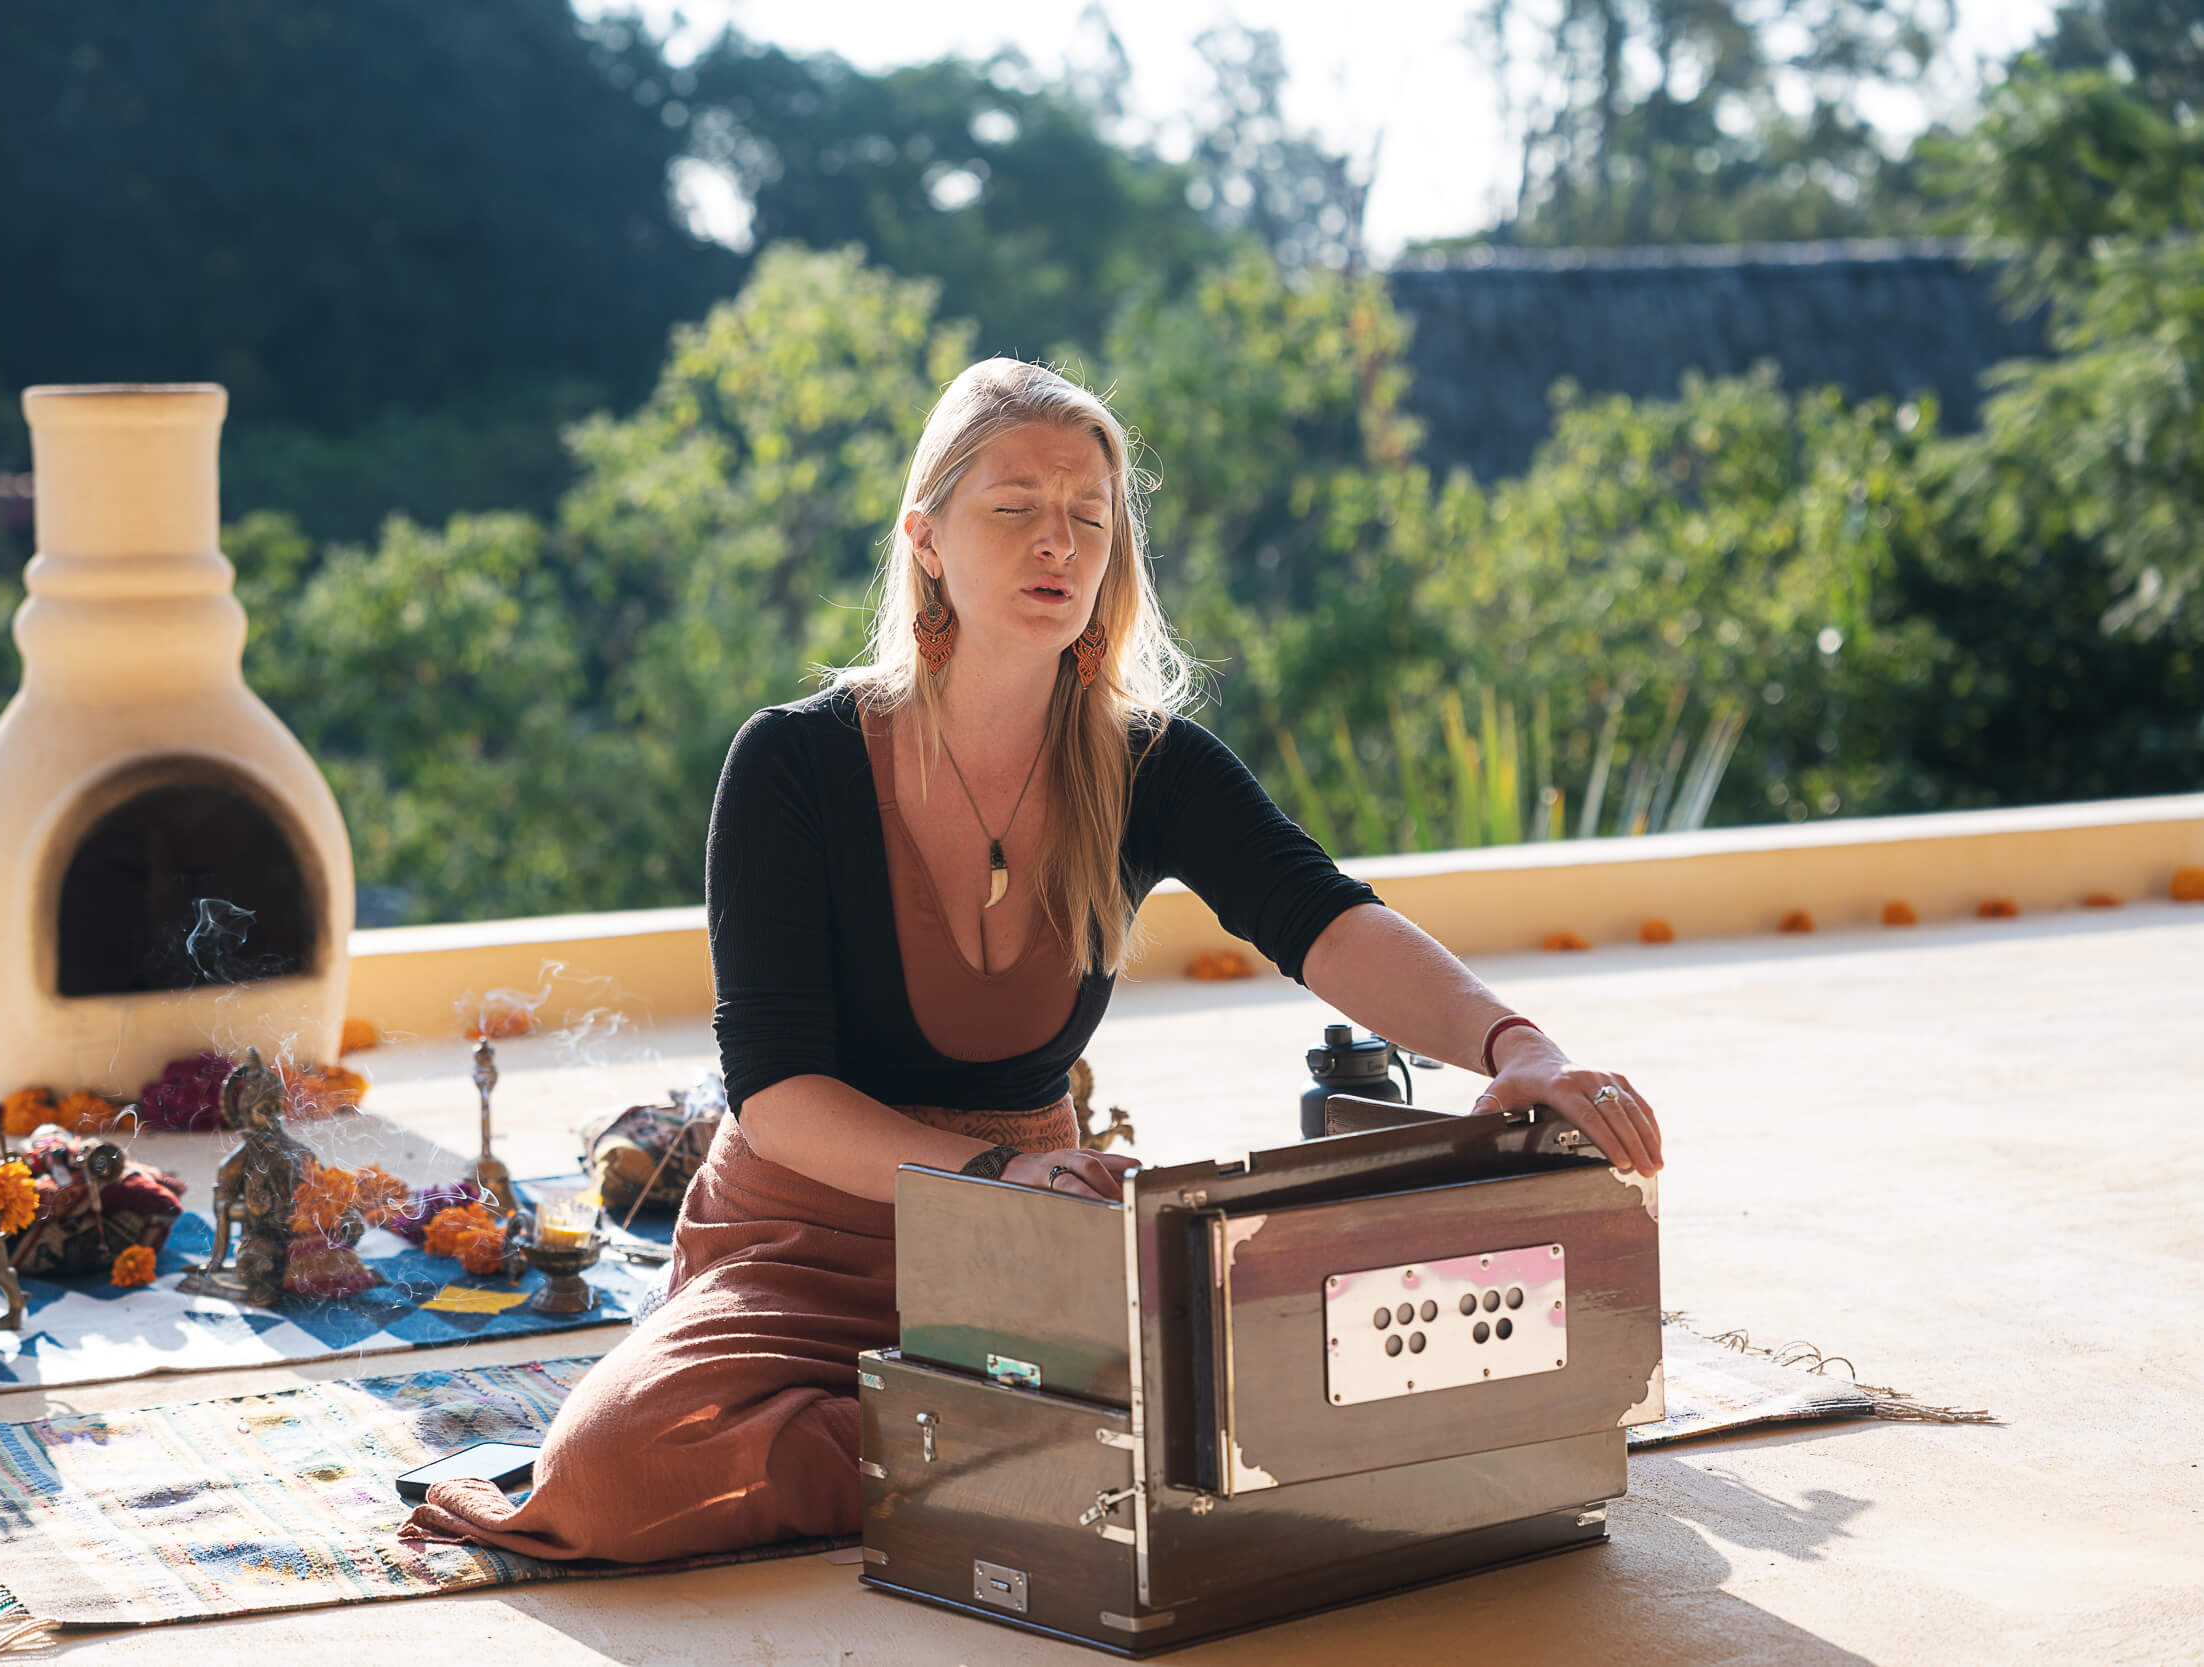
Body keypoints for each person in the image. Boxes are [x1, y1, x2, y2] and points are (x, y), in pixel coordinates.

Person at [400, 357, 1664, 1564]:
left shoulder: (1147, 760)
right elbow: (776, 1093)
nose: (1058, 541)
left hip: (1038, 1243)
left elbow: (1321, 916)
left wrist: (1523, 1049)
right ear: (927, 538)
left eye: (1088, 516)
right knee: (619, 1469)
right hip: (809, 1229)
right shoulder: (792, 765)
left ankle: (1021, 1445)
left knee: (1305, 1369)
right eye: (1015, 508)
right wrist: (1004, 1169)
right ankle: (1042, 1452)